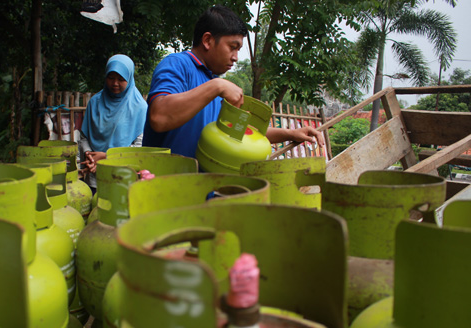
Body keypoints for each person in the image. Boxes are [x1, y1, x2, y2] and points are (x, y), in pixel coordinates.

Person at [143, 5, 324, 158]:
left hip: (201, 191)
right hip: (165, 189)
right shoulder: (178, 65)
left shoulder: (213, 83)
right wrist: (216, 86)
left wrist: (290, 133)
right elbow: (159, 117)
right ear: (207, 40)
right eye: (232, 47)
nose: (236, 57)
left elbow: (240, 130)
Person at [78, 54, 148, 192]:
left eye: (121, 79)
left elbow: (139, 147)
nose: (115, 83)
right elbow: (84, 136)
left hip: (124, 177)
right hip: (95, 175)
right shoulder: (95, 102)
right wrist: (90, 156)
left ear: (129, 78)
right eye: (111, 78)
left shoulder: (139, 107)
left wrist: (106, 157)